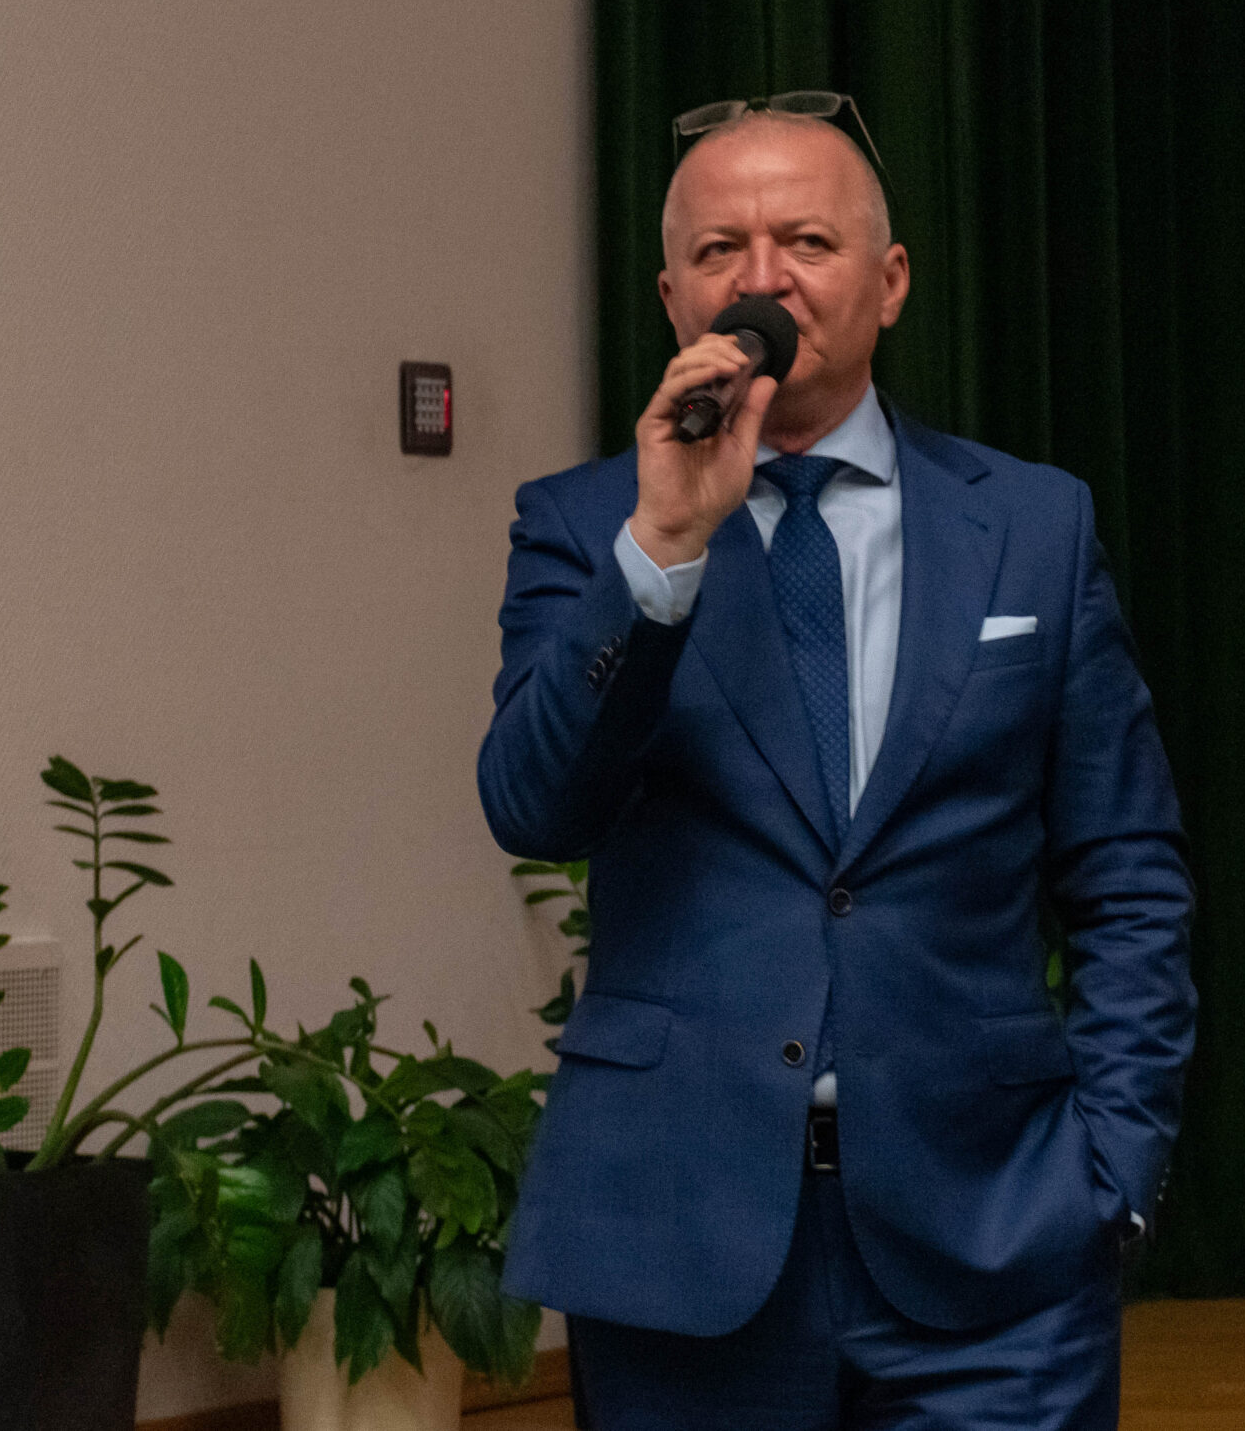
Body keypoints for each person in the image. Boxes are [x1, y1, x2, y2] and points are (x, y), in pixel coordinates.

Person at [477, 99, 1196, 1430]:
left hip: (999, 1244)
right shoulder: (584, 527)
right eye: (720, 250)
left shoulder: (1032, 526)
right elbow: (534, 806)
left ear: (890, 280)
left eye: (806, 241)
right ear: (673, 297)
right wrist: (661, 552)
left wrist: (1113, 1174)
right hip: (679, 1241)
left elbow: (1129, 873)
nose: (763, 281)